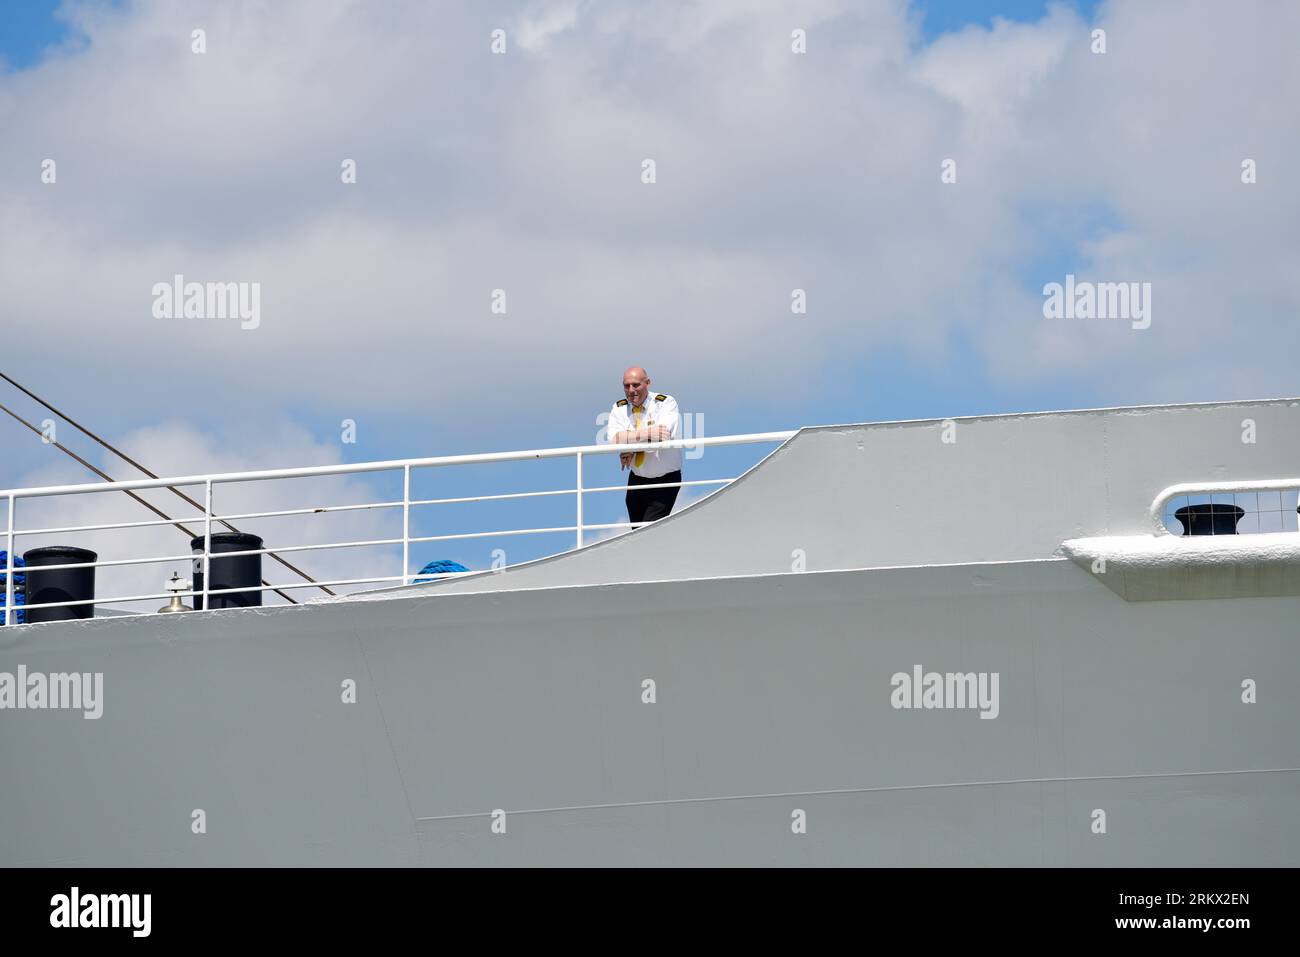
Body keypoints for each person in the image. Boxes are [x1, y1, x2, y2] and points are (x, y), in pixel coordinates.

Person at [605, 366, 682, 527]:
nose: (631, 390)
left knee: (648, 532)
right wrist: (647, 434)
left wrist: (630, 445)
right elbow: (614, 440)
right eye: (626, 386)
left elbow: (662, 436)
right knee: (637, 532)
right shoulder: (619, 408)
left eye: (636, 385)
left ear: (647, 383)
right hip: (636, 480)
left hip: (665, 481)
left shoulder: (665, 402)